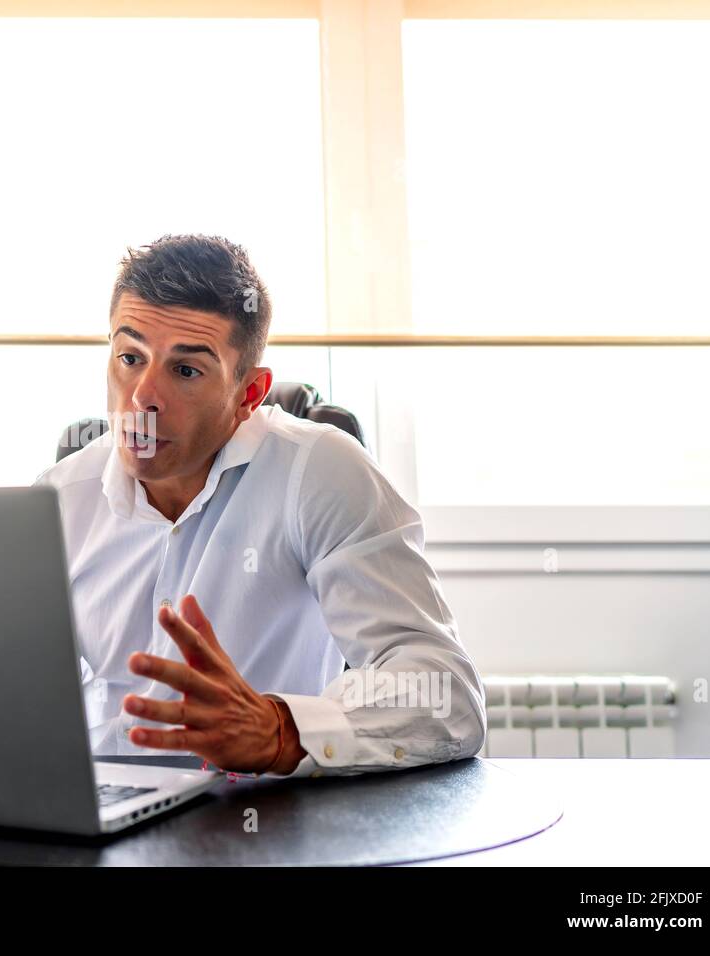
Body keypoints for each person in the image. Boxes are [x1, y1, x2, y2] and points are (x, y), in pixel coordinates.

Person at [34, 234, 486, 776]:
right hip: (93, 814)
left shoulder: (319, 473)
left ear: (249, 394)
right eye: (130, 357)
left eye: (185, 370)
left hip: (258, 817)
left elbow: (444, 692)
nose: (141, 397)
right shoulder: (61, 497)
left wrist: (282, 730)